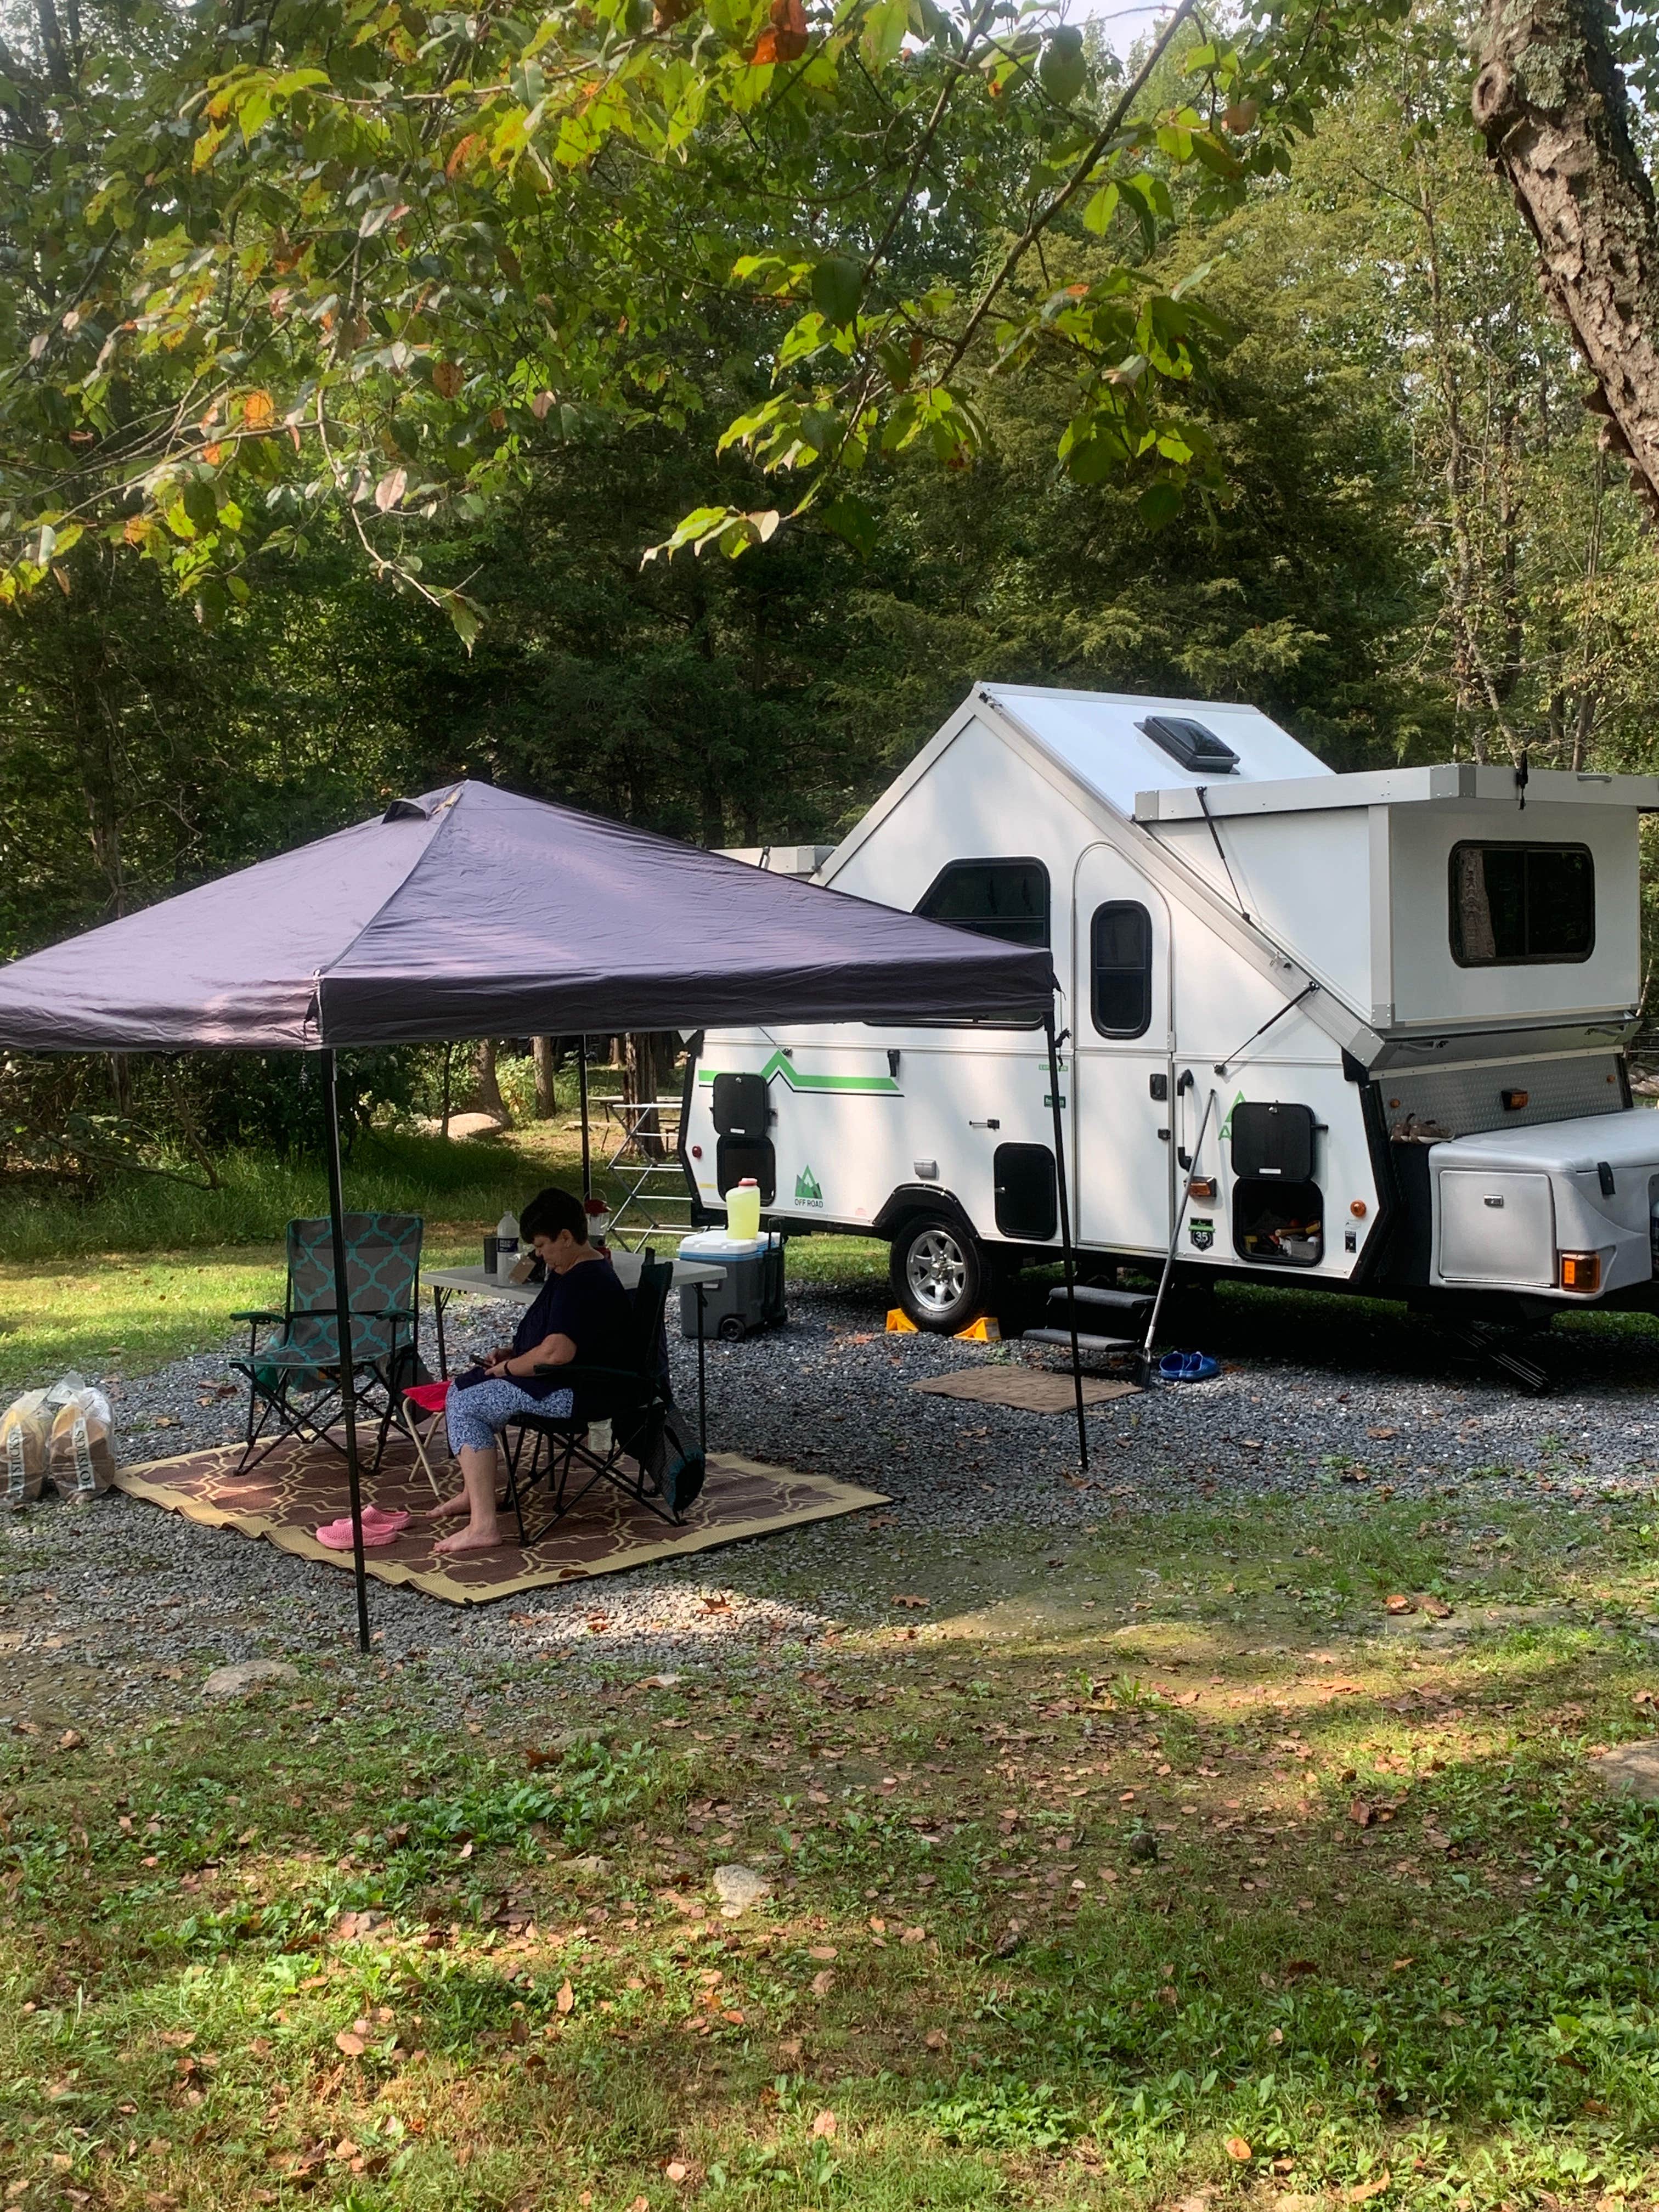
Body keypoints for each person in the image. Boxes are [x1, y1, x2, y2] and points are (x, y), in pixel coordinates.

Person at [426, 1186, 632, 1554]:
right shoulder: (575, 1269)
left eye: (541, 1246)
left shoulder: (582, 1281)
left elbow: (556, 1353)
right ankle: (473, 1494)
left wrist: (508, 1367)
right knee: (461, 1389)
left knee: (469, 1403)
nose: (538, 1256)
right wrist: (513, 1352)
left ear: (566, 1237)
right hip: (573, 1381)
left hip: (580, 1391)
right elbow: (557, 1337)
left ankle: (484, 1526)